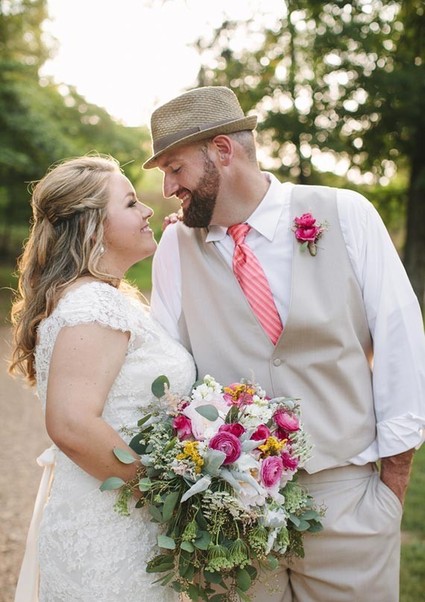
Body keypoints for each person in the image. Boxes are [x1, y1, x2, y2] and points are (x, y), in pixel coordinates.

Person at [145, 86, 425, 601]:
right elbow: (167, 370)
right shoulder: (175, 247)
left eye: (175, 168)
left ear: (222, 151)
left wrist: (391, 487)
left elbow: (399, 338)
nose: (167, 188)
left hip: (347, 499)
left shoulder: (346, 213)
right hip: (229, 518)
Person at [9, 154, 196, 602]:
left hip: (121, 521)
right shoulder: (93, 305)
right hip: (110, 534)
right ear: (92, 226)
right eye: (130, 203)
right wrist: (166, 494)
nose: (147, 210)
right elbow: (72, 424)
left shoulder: (106, 298)